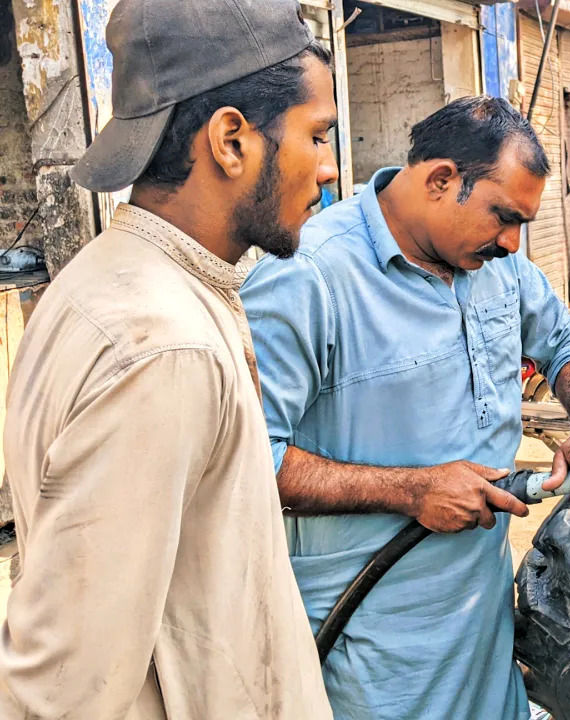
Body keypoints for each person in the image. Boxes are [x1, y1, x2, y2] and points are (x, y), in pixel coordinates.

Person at [239, 96, 570, 720]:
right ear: (442, 179)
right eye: (503, 216)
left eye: (522, 223)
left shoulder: (496, 268)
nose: (512, 241)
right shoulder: (309, 277)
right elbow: (246, 462)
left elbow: (569, 343)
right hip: (366, 633)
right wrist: (411, 490)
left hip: (480, 616)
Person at [0, 1, 337, 717]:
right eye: (318, 135)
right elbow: (62, 692)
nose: (330, 169)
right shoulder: (163, 344)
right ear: (230, 141)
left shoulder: (106, 282)